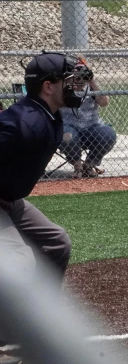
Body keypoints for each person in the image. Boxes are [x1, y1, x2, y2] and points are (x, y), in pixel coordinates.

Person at [0, 53, 86, 363]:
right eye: (68, 81)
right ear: (48, 87)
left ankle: (31, 320)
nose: (75, 86)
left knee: (55, 242)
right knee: (18, 261)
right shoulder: (25, 122)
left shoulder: (46, 114)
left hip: (10, 199)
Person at [59, 57, 116, 178]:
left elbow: (104, 103)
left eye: (80, 76)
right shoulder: (63, 86)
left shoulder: (90, 87)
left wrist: (91, 81)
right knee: (67, 136)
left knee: (108, 134)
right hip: (68, 127)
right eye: (75, 75)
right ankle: (77, 166)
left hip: (91, 126)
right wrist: (68, 83)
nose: (78, 80)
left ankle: (89, 164)